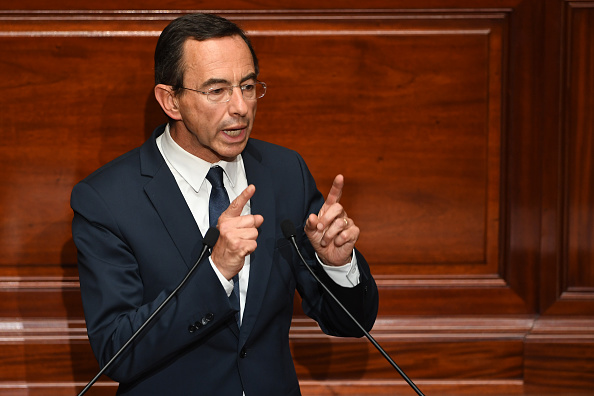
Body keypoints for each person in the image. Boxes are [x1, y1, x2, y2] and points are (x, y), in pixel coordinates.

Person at [71, 13, 378, 396]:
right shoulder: (107, 200)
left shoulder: (285, 173)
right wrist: (215, 270)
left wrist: (338, 267)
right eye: (217, 91)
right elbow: (116, 352)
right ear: (171, 101)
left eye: (247, 86)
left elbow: (351, 323)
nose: (241, 107)